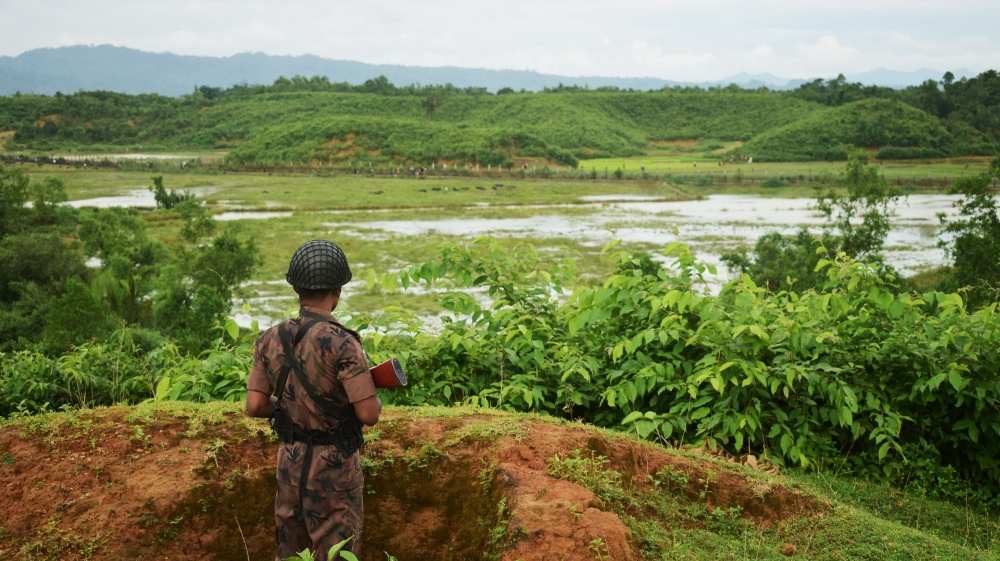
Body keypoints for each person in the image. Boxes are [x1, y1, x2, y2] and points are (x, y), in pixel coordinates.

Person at [246, 240, 382, 561]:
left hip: (290, 465)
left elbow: (255, 406)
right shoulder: (343, 343)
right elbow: (368, 413)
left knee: (291, 554)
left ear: (295, 287)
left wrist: (285, 408)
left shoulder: (270, 338)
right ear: (338, 290)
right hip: (335, 471)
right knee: (337, 555)